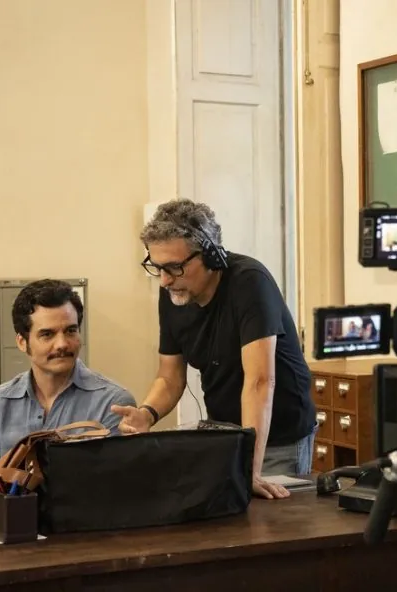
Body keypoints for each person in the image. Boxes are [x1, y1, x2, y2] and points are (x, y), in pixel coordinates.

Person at [112, 199, 317, 500]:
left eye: (175, 267)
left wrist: (249, 469)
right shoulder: (173, 293)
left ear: (211, 255)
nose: (165, 280)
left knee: (270, 520)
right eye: (157, 268)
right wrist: (147, 414)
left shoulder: (249, 282)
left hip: (277, 437)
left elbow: (260, 381)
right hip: (225, 435)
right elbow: (169, 377)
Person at [0, 279, 135, 490]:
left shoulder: (113, 403)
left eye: (70, 331)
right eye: (47, 334)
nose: (62, 344)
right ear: (22, 342)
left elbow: (117, 492)